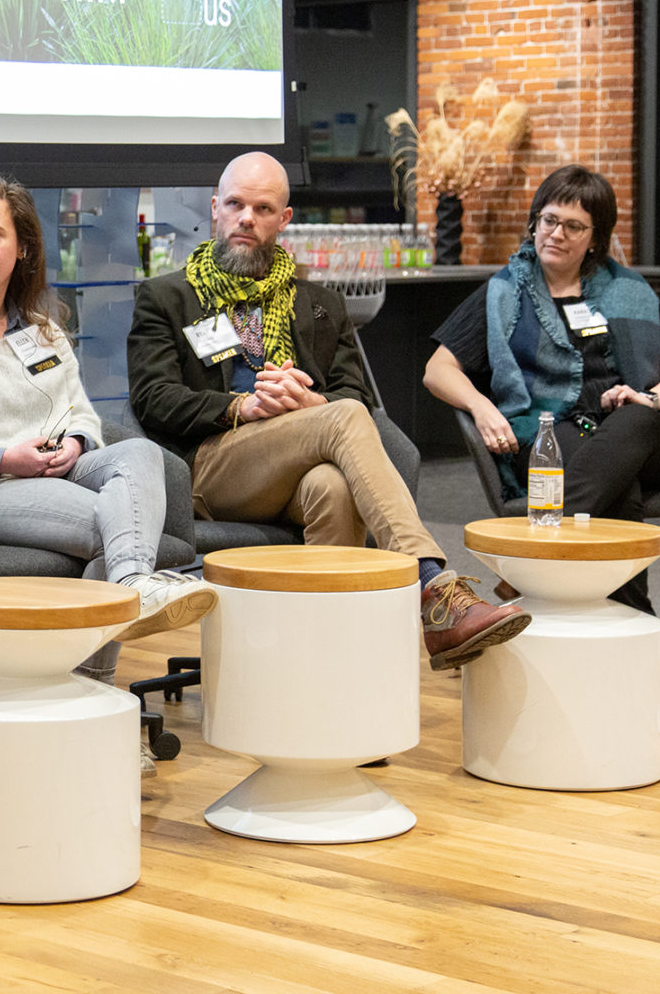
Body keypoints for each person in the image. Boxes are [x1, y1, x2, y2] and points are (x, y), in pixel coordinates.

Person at [127, 151, 529, 671]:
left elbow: (350, 395)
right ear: (215, 209)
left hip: (296, 470)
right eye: (235, 204)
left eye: (263, 208)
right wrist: (243, 406)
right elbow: (153, 399)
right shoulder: (166, 297)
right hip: (212, 466)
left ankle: (324, 675)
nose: (247, 218)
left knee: (333, 487)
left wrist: (309, 403)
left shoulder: (318, 303)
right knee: (340, 420)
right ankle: (434, 584)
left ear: (284, 220)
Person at [0, 173, 218, 772]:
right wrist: (1, 456)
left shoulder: (42, 329)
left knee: (137, 456)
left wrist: (78, 441)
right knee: (110, 526)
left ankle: (118, 621)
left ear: (22, 249)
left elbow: (82, 411)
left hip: (58, 474)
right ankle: (101, 711)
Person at [424, 164, 660, 613]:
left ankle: (530, 557)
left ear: (595, 239)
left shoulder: (628, 290)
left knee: (634, 424)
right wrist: (482, 406)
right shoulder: (504, 291)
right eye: (549, 220)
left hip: (636, 429)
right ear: (535, 222)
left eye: (574, 226)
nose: (557, 234)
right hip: (548, 429)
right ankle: (634, 616)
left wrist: (649, 397)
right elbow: (438, 369)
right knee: (615, 483)